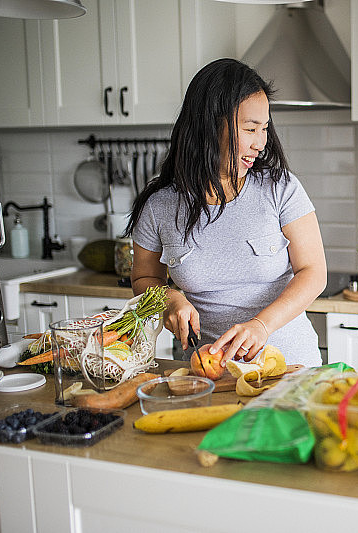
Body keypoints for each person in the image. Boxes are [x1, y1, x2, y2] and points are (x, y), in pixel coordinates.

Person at [126, 58, 326, 368]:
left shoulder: (279, 188)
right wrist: (170, 299)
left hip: (291, 368)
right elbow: (144, 276)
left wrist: (261, 325)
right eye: (250, 129)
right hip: (209, 373)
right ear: (209, 125)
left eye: (264, 129)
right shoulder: (160, 206)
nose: (260, 143)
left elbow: (314, 272)